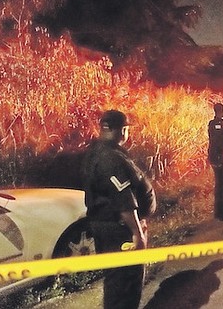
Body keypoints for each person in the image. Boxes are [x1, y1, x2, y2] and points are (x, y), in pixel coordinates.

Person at [81, 109, 157, 309]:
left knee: (118, 282)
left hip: (111, 227)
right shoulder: (110, 158)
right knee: (126, 283)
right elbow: (123, 199)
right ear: (121, 130)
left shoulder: (98, 152)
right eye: (126, 129)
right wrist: (137, 233)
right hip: (120, 230)